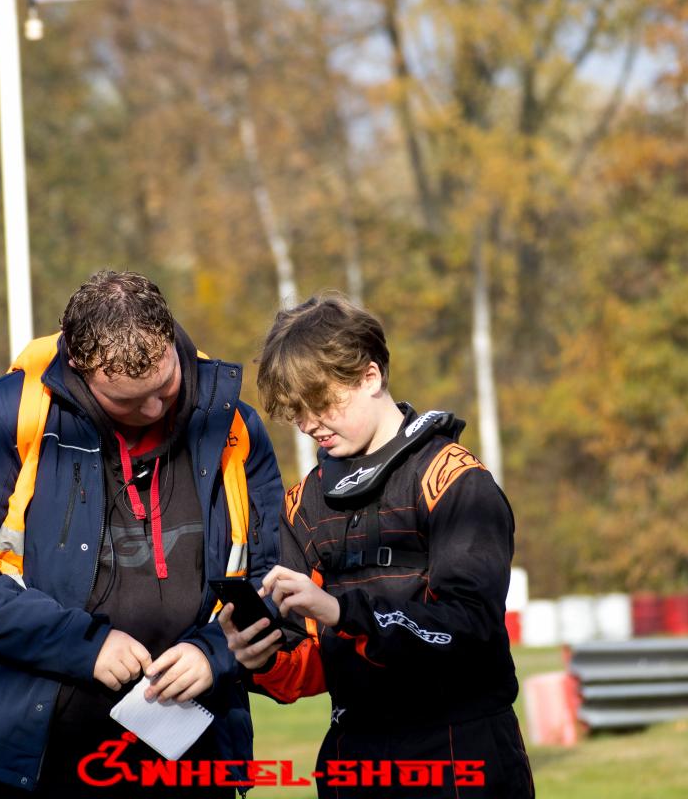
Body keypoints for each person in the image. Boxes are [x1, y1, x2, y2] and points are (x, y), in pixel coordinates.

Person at [0, 270, 283, 797]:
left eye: (164, 388)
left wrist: (214, 653)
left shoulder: (233, 426)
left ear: (171, 340)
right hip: (30, 758)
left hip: (188, 751)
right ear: (80, 370)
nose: (152, 410)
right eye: (127, 402)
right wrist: (84, 645)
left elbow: (275, 576)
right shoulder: (2, 417)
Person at [218, 294, 534, 798]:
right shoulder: (302, 505)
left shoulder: (453, 478)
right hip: (355, 758)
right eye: (297, 412)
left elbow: (469, 627)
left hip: (461, 752)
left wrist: (343, 612)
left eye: (320, 403)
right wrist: (260, 657)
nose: (308, 424)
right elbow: (305, 663)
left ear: (370, 377)